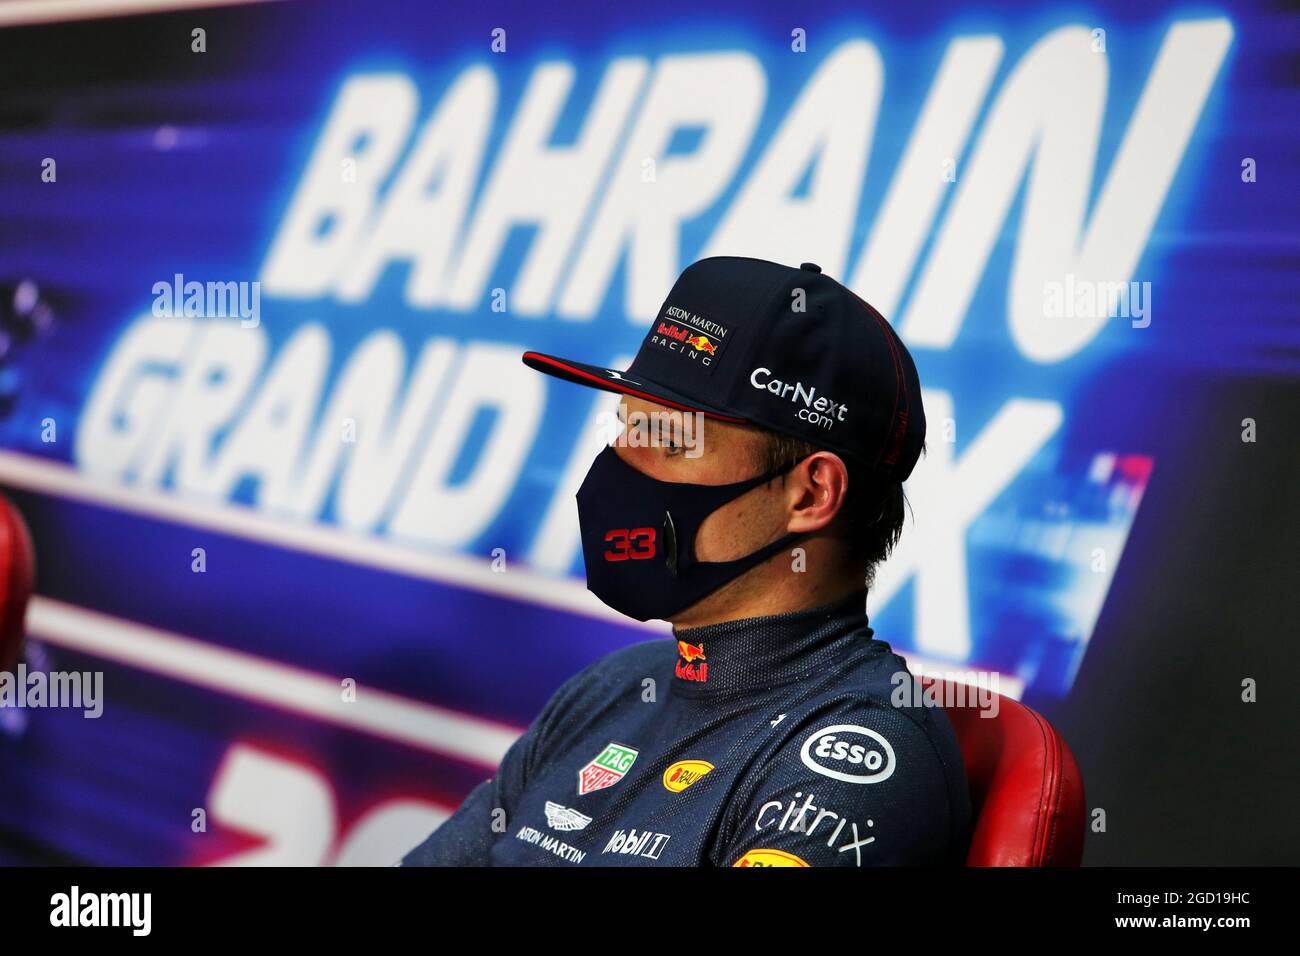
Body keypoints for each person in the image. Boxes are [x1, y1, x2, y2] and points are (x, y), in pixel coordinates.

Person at [401, 257, 971, 867]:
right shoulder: (609, 690)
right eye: (627, 427)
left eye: (672, 440)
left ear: (809, 495)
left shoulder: (854, 761)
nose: (621, 464)